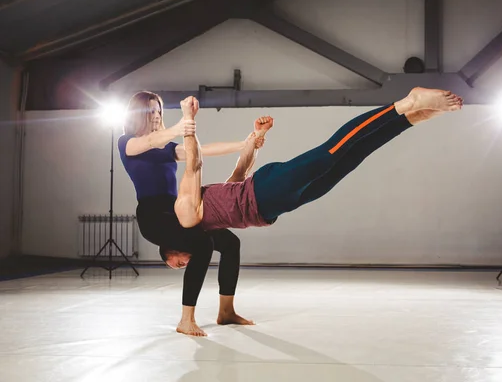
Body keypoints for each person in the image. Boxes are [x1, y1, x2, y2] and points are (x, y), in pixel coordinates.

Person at [171, 87, 463, 236]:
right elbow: (237, 176)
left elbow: (194, 164)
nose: (182, 265)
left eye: (178, 264)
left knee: (330, 153)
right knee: (351, 157)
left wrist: (188, 118)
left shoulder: (185, 213)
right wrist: (255, 139)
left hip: (267, 191)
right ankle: (412, 117)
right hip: (275, 203)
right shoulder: (205, 219)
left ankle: (406, 103)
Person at [118, 91, 268, 336]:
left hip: (176, 208)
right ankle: (186, 319)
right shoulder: (127, 143)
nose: (156, 116)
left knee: (230, 242)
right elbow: (148, 143)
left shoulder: (166, 147)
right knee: (201, 244)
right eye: (151, 111)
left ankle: (226, 311)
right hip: (153, 215)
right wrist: (181, 126)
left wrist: (247, 143)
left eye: (158, 111)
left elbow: (202, 151)